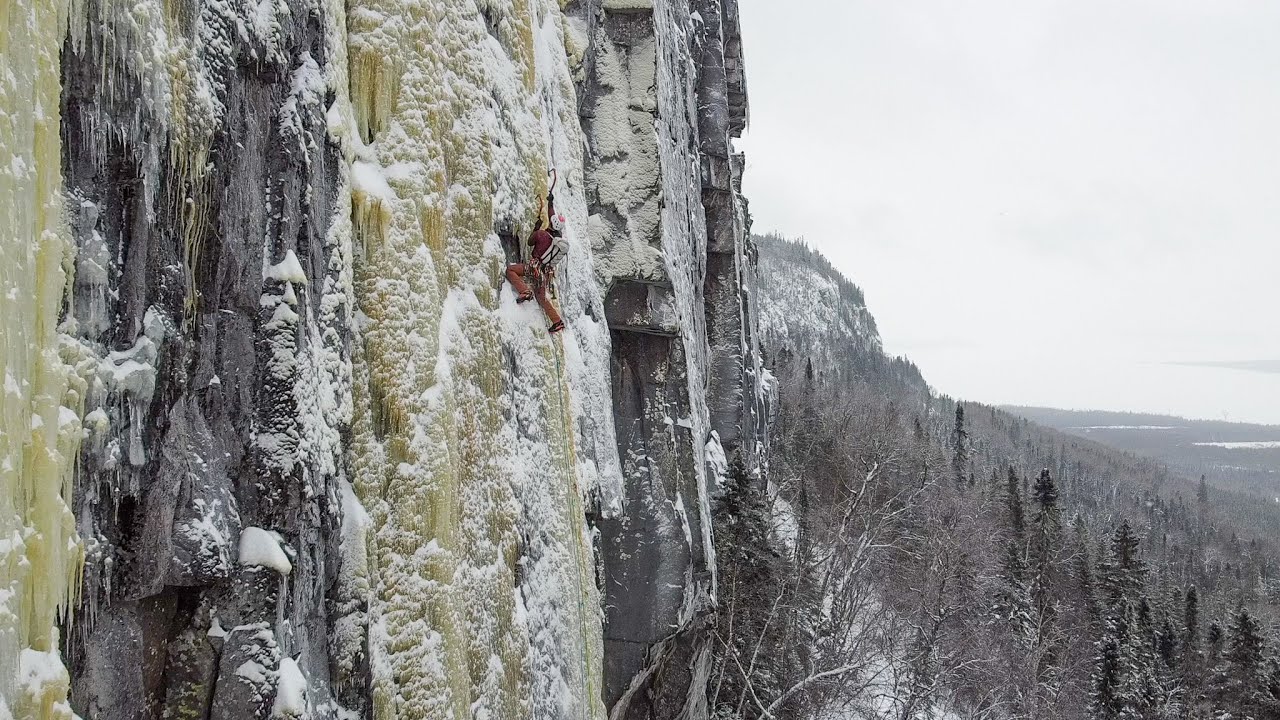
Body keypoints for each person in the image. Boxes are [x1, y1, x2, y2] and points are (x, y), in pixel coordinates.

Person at [505, 192, 565, 334]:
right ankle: (557, 322)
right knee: (541, 298)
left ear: (550, 223)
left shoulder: (542, 235)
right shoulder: (559, 240)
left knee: (511, 270)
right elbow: (553, 218)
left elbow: (530, 241)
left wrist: (537, 227)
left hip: (533, 269)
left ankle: (524, 291)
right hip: (544, 272)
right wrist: (550, 203)